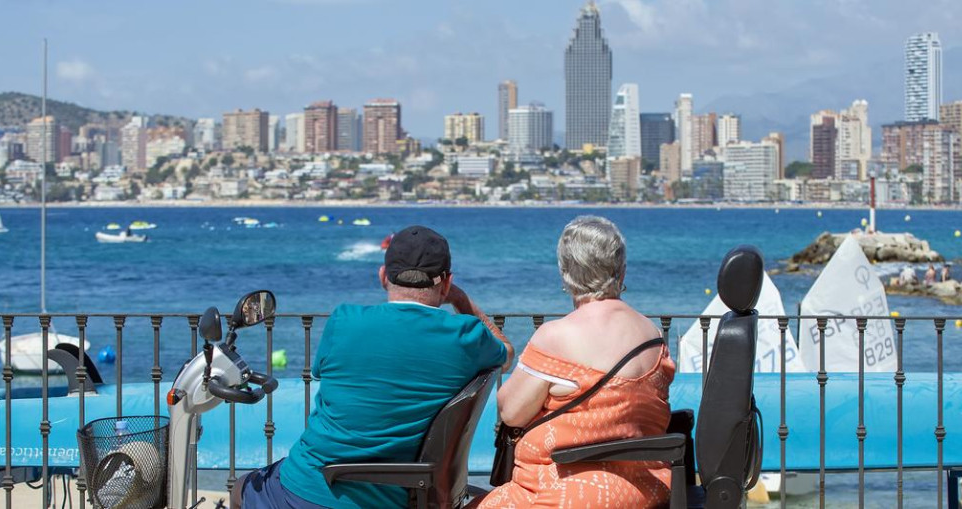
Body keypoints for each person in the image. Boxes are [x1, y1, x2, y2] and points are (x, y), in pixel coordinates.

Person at [234, 225, 513, 509]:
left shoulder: (344, 320)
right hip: (403, 493)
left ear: (383, 276)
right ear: (446, 282)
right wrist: (461, 300)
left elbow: (322, 372)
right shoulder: (465, 335)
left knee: (244, 486)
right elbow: (507, 353)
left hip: (313, 488)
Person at [473, 216, 675, 509]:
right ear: (621, 270)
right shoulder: (653, 337)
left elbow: (512, 413)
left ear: (566, 273)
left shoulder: (556, 336)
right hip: (644, 488)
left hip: (561, 493)